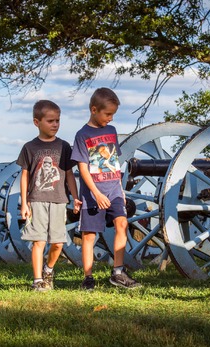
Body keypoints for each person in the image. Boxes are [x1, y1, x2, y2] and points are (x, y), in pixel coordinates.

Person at [71, 87, 142, 290]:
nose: (110, 118)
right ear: (94, 109)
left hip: (113, 189)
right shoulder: (82, 135)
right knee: (89, 234)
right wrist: (96, 193)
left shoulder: (111, 132)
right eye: (107, 114)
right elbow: (82, 167)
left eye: (113, 114)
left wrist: (119, 189)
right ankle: (88, 278)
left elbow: (114, 161)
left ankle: (118, 272)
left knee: (122, 224)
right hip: (94, 193)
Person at [17, 99, 81, 292]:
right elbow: (25, 175)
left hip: (59, 199)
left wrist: (75, 197)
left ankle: (48, 269)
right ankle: (37, 281)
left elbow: (69, 174)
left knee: (58, 243)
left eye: (58, 121)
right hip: (36, 199)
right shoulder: (30, 148)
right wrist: (24, 202)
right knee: (39, 241)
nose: (55, 125)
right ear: (37, 122)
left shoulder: (64, 147)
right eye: (50, 121)